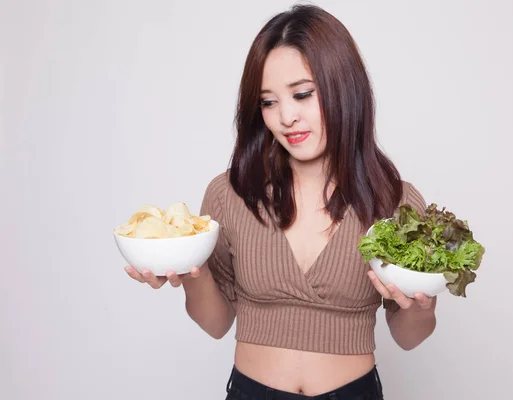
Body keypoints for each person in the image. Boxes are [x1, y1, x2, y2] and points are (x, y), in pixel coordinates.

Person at [125, 4, 436, 399]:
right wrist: (192, 273)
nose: (286, 117)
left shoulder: (395, 202)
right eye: (268, 102)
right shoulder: (229, 193)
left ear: (345, 88)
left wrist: (421, 307)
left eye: (302, 94)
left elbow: (409, 338)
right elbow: (216, 323)